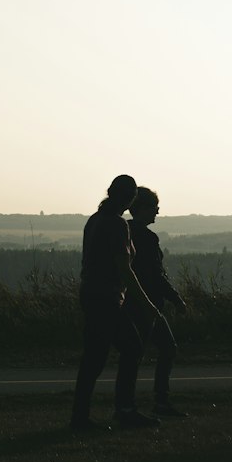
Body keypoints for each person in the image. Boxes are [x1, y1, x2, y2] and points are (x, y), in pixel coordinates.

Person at [70, 174, 160, 431]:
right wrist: (146, 304)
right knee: (125, 349)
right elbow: (124, 269)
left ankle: (84, 415)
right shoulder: (118, 225)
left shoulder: (95, 220)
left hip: (91, 294)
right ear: (130, 199)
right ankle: (122, 410)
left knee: (95, 358)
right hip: (107, 298)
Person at [126, 186, 188, 417]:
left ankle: (129, 404)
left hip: (130, 303)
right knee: (167, 348)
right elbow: (156, 274)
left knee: (134, 354)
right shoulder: (147, 237)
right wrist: (176, 298)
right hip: (149, 304)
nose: (157, 213)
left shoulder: (126, 231)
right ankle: (160, 402)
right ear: (143, 209)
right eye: (155, 208)